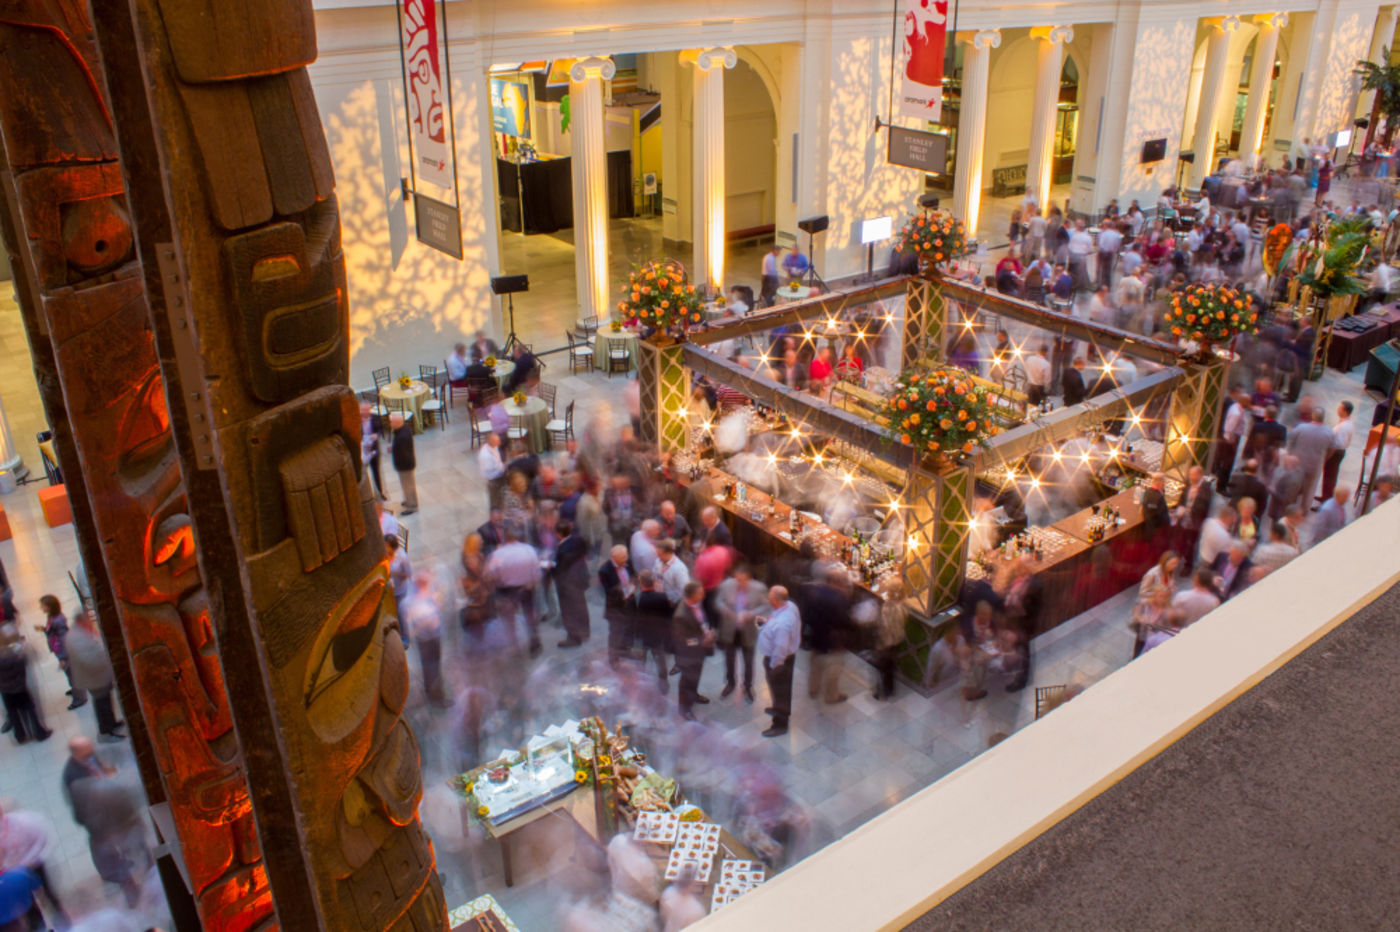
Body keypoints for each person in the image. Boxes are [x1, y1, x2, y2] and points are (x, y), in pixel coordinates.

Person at [62, 736, 150, 907]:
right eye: (87, 752)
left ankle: (146, 863)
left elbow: (102, 769)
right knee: (110, 855)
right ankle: (128, 886)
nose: (92, 754)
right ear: (76, 754)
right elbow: (80, 810)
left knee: (135, 840)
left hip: (118, 812)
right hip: (101, 821)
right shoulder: (73, 777)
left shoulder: (91, 758)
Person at [0, 801, 65, 928]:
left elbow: (42, 839)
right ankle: (39, 926)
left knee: (48, 893)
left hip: (34, 864)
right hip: (14, 871)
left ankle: (61, 920)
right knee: (27, 905)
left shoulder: (24, 823)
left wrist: (26, 863)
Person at [66, 610, 125, 741]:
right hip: (94, 678)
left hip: (100, 675)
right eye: (89, 619)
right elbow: (90, 660)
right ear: (82, 620)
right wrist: (107, 657)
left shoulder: (83, 630)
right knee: (101, 704)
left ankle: (112, 723)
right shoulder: (76, 637)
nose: (91, 621)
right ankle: (105, 732)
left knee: (106, 702)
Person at [714, 564, 766, 702]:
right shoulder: (726, 585)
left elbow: (765, 605)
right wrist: (726, 610)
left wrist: (751, 614)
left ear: (748, 578)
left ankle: (748, 686)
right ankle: (730, 683)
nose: (739, 583)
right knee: (729, 660)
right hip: (730, 630)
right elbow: (718, 601)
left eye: (743, 580)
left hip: (747, 631)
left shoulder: (759, 588)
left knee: (748, 662)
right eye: (737, 579)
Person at [488, 526, 543, 655]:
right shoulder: (528, 550)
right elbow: (536, 572)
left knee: (509, 621)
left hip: (506, 591)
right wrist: (533, 583)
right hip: (526, 589)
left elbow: (491, 575)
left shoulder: (497, 555)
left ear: (504, 538)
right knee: (530, 617)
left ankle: (515, 647)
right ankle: (534, 644)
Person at [757, 585, 801, 737]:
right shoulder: (790, 606)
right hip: (784, 659)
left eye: (770, 596)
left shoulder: (783, 624)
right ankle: (778, 707)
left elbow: (780, 648)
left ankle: (780, 723)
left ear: (776, 600)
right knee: (779, 691)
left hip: (779, 662)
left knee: (780, 691)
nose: (768, 598)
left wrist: (774, 667)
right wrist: (766, 622)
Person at [805, 567, 851, 704]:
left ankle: (813, 689)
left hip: (816, 637)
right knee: (833, 671)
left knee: (815, 666)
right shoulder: (840, 599)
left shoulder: (814, 592)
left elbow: (807, 615)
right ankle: (831, 696)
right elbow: (845, 621)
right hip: (833, 642)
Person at [0, 625, 49, 744]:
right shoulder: (13, 653)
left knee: (12, 713)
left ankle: (19, 736)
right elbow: (22, 663)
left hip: (5, 690)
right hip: (19, 687)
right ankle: (39, 732)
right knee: (29, 709)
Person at [671, 582, 713, 720]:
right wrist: (702, 641)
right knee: (686, 681)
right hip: (688, 655)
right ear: (692, 596)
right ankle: (684, 709)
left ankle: (694, 695)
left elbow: (701, 621)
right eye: (700, 593)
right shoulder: (681, 615)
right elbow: (682, 640)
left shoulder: (697, 604)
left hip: (698, 652)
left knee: (695, 675)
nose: (703, 595)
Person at [35, 594, 84, 710]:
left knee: (72, 675)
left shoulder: (58, 621)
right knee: (69, 673)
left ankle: (80, 697)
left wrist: (63, 657)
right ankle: (76, 690)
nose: (41, 608)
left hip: (65, 653)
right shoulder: (51, 617)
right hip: (59, 651)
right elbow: (52, 631)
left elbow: (63, 640)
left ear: (50, 607)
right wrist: (44, 629)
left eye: (42, 606)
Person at [402, 570, 444, 705]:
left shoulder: (429, 595)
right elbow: (416, 621)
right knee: (430, 666)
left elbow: (437, 611)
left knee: (434, 666)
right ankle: (435, 696)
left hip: (434, 635)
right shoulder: (413, 601)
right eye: (426, 583)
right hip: (425, 639)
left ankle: (432, 691)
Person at [553, 520, 592, 648]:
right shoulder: (578, 540)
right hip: (580, 579)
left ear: (559, 534)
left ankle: (574, 637)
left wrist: (550, 566)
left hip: (567, 584)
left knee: (569, 610)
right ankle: (584, 631)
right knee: (581, 606)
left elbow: (560, 568)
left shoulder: (563, 550)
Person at [633, 571, 673, 691]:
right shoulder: (662, 597)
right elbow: (668, 615)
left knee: (640, 660)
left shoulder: (640, 598)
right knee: (660, 661)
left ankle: (640, 682)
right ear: (654, 582)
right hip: (657, 635)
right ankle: (663, 684)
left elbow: (638, 619)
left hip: (643, 636)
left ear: (641, 583)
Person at [1288, 405, 1334, 507]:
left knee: (1295, 485)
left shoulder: (1302, 427)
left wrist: (1290, 453)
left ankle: (1291, 507)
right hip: (1316, 464)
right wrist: (1325, 458)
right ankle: (1304, 509)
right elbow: (1331, 449)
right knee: (1310, 489)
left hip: (1299, 462)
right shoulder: (1329, 432)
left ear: (1312, 416)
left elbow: (1291, 439)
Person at [599, 545, 635, 667]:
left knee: (628, 630)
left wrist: (632, 585)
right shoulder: (605, 570)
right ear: (614, 557)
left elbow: (633, 576)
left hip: (629, 603)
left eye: (626, 557)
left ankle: (625, 651)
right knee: (616, 633)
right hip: (616, 608)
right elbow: (607, 591)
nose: (626, 560)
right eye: (622, 558)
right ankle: (613, 659)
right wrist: (621, 590)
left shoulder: (627, 563)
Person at [871, 583, 907, 701]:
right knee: (890, 667)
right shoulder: (902, 607)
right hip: (897, 640)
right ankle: (890, 690)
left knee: (883, 668)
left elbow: (884, 626)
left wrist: (881, 643)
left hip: (886, 642)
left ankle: (882, 693)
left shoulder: (888, 607)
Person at [1319, 400, 1354, 501]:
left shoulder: (1344, 426)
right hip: (1336, 452)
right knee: (1328, 475)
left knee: (1330, 476)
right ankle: (1324, 496)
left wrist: (1327, 456)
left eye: (1340, 408)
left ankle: (1327, 498)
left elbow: (1336, 444)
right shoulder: (1346, 422)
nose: (1338, 410)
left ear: (1345, 411)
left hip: (1335, 453)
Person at [388, 412, 417, 515]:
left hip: (405, 466)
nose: (390, 423)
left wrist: (393, 449)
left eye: (392, 422)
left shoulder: (401, 437)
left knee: (407, 486)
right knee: (410, 485)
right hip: (408, 464)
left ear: (397, 423)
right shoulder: (404, 429)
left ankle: (411, 506)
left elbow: (402, 454)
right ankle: (411, 501)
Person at [359, 401, 385, 501]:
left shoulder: (375, 417)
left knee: (376, 471)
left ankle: (379, 493)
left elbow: (380, 429)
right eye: (363, 410)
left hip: (374, 448)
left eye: (367, 410)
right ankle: (367, 496)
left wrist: (376, 435)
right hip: (363, 450)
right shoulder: (357, 420)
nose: (365, 412)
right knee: (364, 473)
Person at [1197, 504, 1236, 568]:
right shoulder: (1224, 535)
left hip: (1202, 555)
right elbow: (1228, 552)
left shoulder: (1208, 521)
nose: (1233, 522)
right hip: (1210, 563)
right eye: (1233, 520)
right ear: (1228, 518)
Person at [655, 539, 690, 605]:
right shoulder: (658, 561)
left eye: (660, 555)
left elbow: (683, 590)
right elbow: (655, 573)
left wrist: (672, 601)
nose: (658, 557)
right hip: (660, 596)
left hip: (671, 602)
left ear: (668, 553)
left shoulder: (679, 568)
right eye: (657, 554)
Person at [477, 431, 506, 510]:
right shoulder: (485, 456)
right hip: (493, 480)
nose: (499, 442)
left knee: (500, 499)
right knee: (495, 502)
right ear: (490, 441)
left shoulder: (494, 446)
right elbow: (488, 472)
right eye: (497, 441)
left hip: (499, 475)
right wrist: (503, 469)